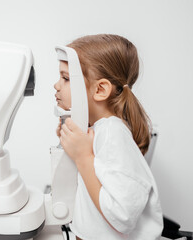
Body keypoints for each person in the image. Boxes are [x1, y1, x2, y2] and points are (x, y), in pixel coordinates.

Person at [54, 34, 163, 240]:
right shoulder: (98, 130)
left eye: (66, 78)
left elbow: (123, 216)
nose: (56, 85)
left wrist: (83, 157)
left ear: (101, 89)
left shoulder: (114, 134)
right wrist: (71, 144)